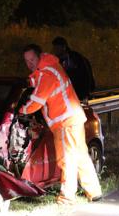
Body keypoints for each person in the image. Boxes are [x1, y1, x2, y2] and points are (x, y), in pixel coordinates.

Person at [20, 43, 102, 204]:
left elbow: (36, 101)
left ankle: (67, 197)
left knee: (67, 159)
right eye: (26, 61)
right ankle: (94, 191)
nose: (29, 64)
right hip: (73, 118)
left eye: (32, 59)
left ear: (39, 56)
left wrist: (19, 111)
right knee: (79, 156)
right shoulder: (49, 69)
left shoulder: (46, 74)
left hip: (65, 121)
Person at [52, 36, 96, 101]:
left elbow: (86, 75)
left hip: (78, 93)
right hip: (65, 94)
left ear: (64, 47)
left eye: (57, 48)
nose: (55, 50)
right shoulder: (55, 61)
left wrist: (85, 93)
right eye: (54, 48)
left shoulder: (76, 59)